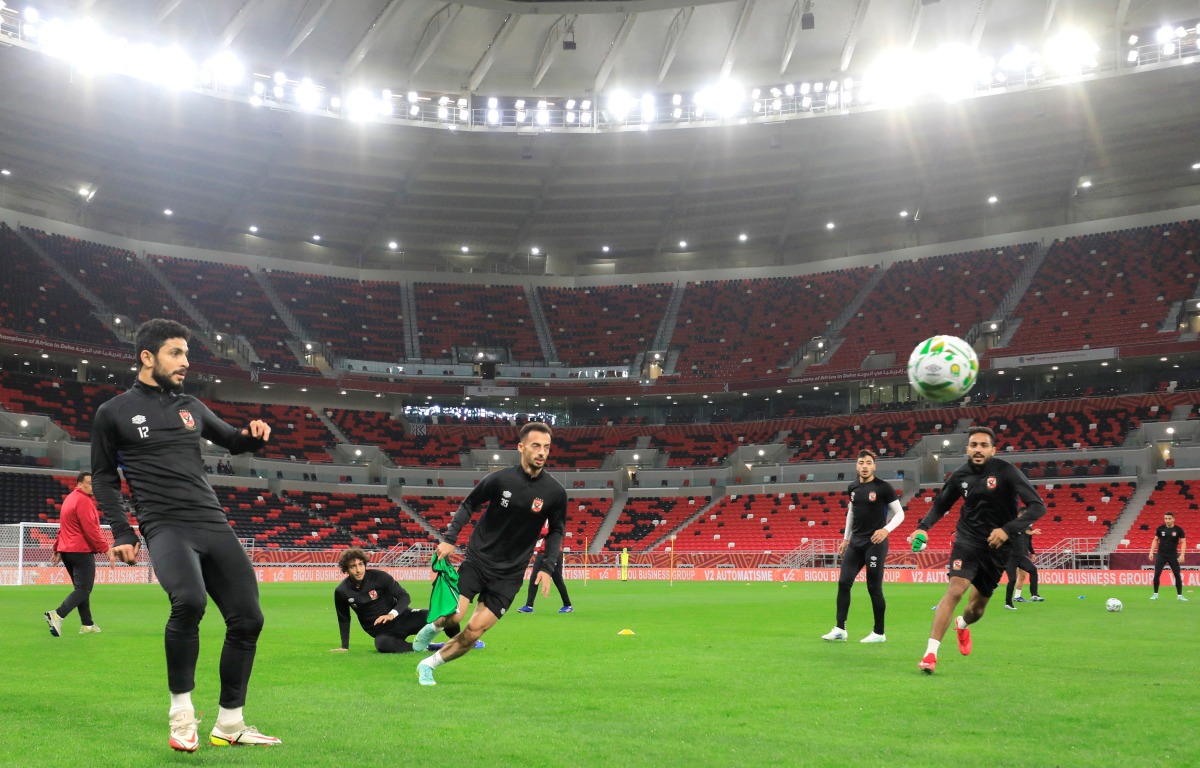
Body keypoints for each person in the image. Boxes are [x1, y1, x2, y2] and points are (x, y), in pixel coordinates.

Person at [91, 318, 281, 752]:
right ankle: (181, 714)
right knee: (190, 601)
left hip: (211, 520)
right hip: (164, 524)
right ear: (147, 357)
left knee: (249, 618)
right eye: (176, 353)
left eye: (186, 354)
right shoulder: (113, 411)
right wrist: (123, 529)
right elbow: (103, 478)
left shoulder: (191, 405)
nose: (185, 363)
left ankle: (230, 723)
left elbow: (233, 441)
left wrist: (254, 436)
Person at [413, 421, 567, 686]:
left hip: (510, 574)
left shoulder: (555, 493)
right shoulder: (500, 479)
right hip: (479, 559)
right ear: (521, 447)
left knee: (473, 632)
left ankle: (428, 665)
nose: (542, 452)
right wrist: (450, 539)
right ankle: (433, 627)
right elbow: (469, 503)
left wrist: (546, 567)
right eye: (536, 446)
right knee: (456, 615)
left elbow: (556, 531)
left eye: (546, 447)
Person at [906, 426, 1045, 674]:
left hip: (998, 546)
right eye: (973, 445)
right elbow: (941, 504)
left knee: (976, 609)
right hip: (967, 540)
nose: (978, 449)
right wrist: (923, 527)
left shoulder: (1006, 472)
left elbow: (1037, 507)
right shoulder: (960, 475)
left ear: (993, 449)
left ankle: (962, 624)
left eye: (983, 445)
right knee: (955, 590)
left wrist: (1007, 529)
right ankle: (930, 654)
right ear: (967, 449)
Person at [821, 449, 905, 643]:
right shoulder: (852, 488)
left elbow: (900, 514)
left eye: (868, 463)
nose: (864, 466)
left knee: (873, 588)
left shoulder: (883, 488)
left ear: (874, 466)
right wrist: (845, 538)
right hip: (856, 543)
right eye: (861, 463)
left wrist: (886, 530)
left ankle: (879, 632)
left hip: (875, 543)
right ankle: (840, 629)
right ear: (856, 466)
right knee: (843, 583)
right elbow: (851, 512)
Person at [331, 547, 478, 653]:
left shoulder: (379, 577)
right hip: (382, 632)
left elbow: (404, 596)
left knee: (446, 617)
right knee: (382, 645)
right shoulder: (342, 591)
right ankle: (427, 647)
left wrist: (391, 614)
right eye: (352, 567)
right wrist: (345, 646)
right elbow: (344, 619)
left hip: (405, 617)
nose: (358, 570)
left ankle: (461, 642)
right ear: (346, 569)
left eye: (360, 564)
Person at [45, 471, 115, 637]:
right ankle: (58, 615)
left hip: (68, 551)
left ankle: (87, 624)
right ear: (79, 484)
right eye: (90, 483)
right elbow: (91, 530)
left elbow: (63, 527)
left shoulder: (69, 499)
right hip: (80, 551)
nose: (93, 486)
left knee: (81, 588)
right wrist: (106, 549)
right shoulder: (84, 501)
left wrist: (57, 549)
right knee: (84, 589)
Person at [516, 524, 574, 614]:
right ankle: (529, 606)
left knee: (557, 580)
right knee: (534, 579)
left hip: (554, 553)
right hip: (541, 553)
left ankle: (568, 605)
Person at [1149, 512, 1187, 602]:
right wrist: (1151, 552)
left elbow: (1183, 542)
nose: (1167, 520)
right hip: (1161, 554)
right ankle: (1155, 594)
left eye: (1169, 518)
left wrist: (1182, 555)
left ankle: (1180, 595)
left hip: (1173, 555)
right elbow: (1155, 540)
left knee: (1177, 574)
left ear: (1173, 519)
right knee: (1157, 574)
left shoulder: (1178, 530)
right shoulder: (1160, 529)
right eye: (1166, 518)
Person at [1004, 527, 1043, 609]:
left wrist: (1032, 552)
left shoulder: (1027, 528)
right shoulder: (1011, 526)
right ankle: (1008, 603)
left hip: (1021, 556)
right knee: (1012, 579)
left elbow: (1029, 542)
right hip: (1010, 557)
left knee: (1032, 570)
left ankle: (1034, 594)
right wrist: (1029, 532)